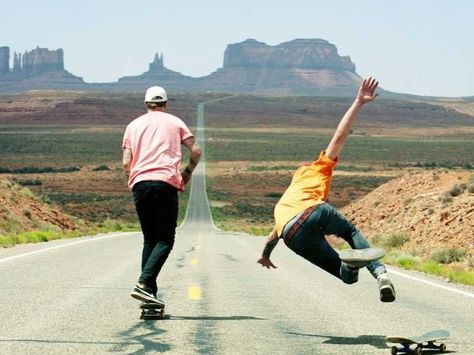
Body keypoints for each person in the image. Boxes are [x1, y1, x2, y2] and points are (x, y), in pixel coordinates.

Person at [257, 77, 396, 302]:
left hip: (291, 234)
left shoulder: (284, 203)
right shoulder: (317, 169)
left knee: (347, 278)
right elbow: (340, 135)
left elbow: (273, 237)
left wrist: (264, 256)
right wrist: (359, 102)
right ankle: (381, 275)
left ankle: (351, 267)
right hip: (315, 211)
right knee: (349, 231)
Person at [122, 86, 201, 306]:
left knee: (150, 239)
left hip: (140, 184)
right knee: (166, 239)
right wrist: (187, 173)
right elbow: (195, 150)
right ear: (165, 104)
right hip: (165, 183)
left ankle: (149, 296)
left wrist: (133, 179)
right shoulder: (175, 122)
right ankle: (144, 283)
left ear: (146, 104)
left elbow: (126, 160)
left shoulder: (133, 126)